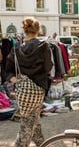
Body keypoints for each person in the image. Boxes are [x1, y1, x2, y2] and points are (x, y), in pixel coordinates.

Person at [4, 17, 53, 147]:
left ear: (23, 29)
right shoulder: (43, 46)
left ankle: (41, 143)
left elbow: (7, 69)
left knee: (32, 119)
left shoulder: (16, 48)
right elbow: (48, 67)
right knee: (27, 124)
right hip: (38, 88)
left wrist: (14, 78)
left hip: (23, 89)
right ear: (38, 30)